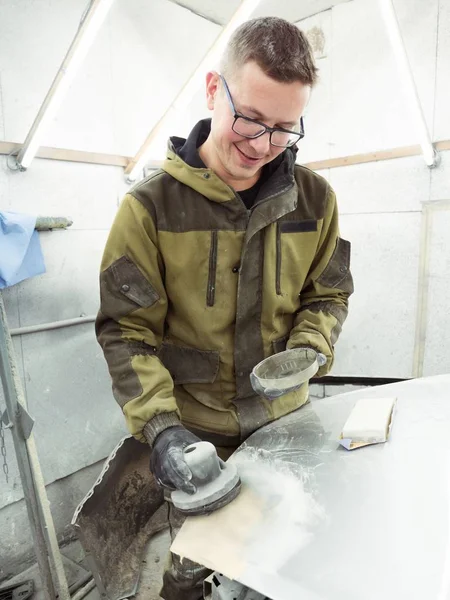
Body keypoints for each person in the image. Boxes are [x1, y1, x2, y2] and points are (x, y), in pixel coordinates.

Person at [96, 15, 353, 600]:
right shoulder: (149, 209)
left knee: (287, 569)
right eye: (251, 119)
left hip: (287, 427)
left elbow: (329, 293)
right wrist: (162, 432)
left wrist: (311, 347)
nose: (263, 145)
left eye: (285, 129)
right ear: (215, 89)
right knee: (190, 576)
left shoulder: (315, 200)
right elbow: (125, 331)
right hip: (197, 441)